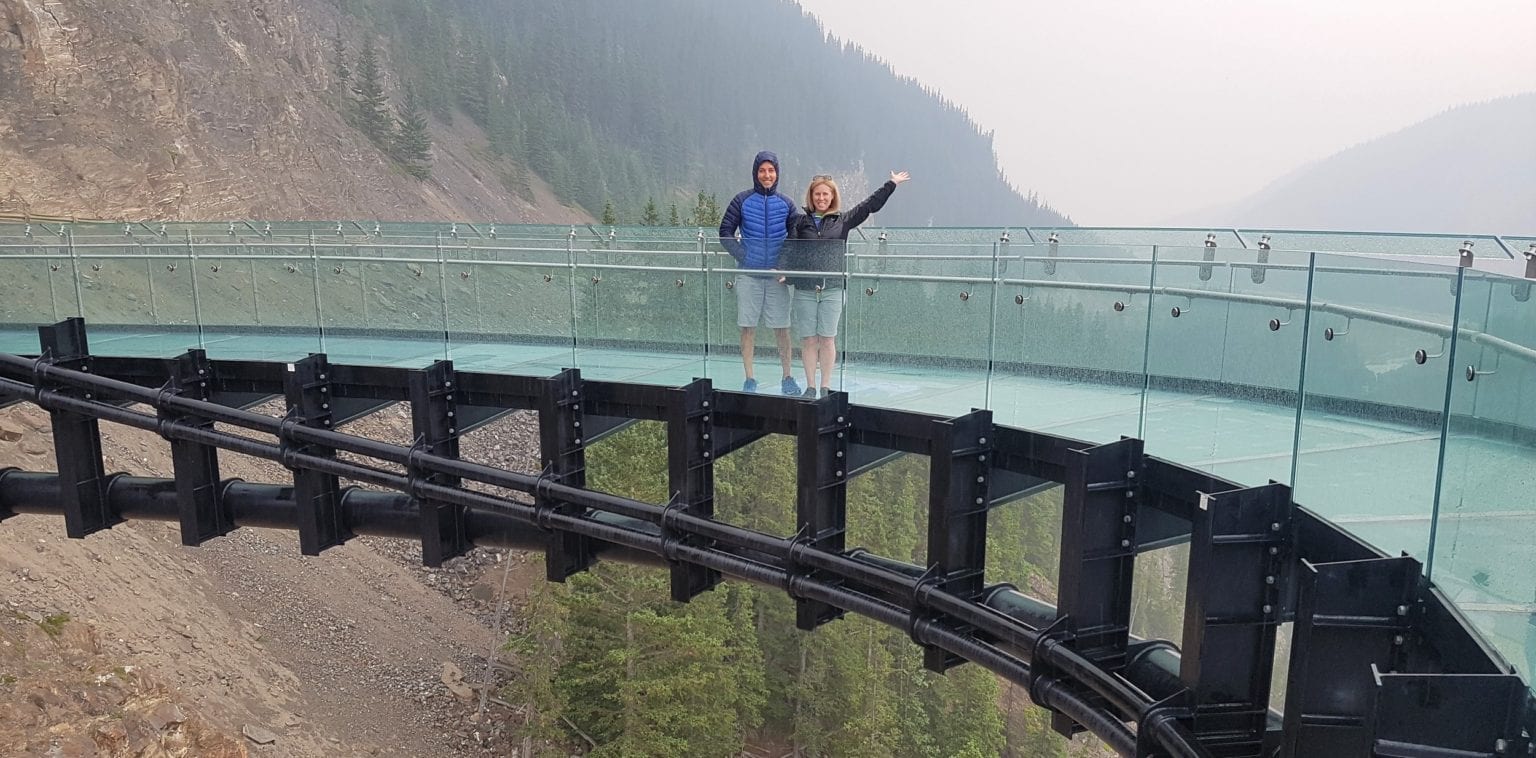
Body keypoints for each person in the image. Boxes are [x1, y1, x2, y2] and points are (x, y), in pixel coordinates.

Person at [783, 171, 910, 397]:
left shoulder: (843, 220)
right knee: (809, 340)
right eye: (817, 194)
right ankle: (811, 386)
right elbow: (790, 248)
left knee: (827, 338)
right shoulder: (800, 221)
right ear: (811, 197)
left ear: (832, 197)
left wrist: (891, 184)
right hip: (805, 288)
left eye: (825, 194)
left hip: (832, 287)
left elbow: (869, 206)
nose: (821, 198)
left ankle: (825, 387)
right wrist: (784, 271)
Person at [719, 151, 802, 394]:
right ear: (756, 173)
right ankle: (749, 379)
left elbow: (795, 238)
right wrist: (744, 256)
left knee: (782, 328)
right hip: (748, 275)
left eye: (771, 170)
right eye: (762, 170)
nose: (767, 175)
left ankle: (787, 377)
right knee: (747, 327)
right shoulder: (741, 200)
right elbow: (725, 232)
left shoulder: (787, 204)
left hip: (777, 278)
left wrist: (783, 264)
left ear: (777, 173)